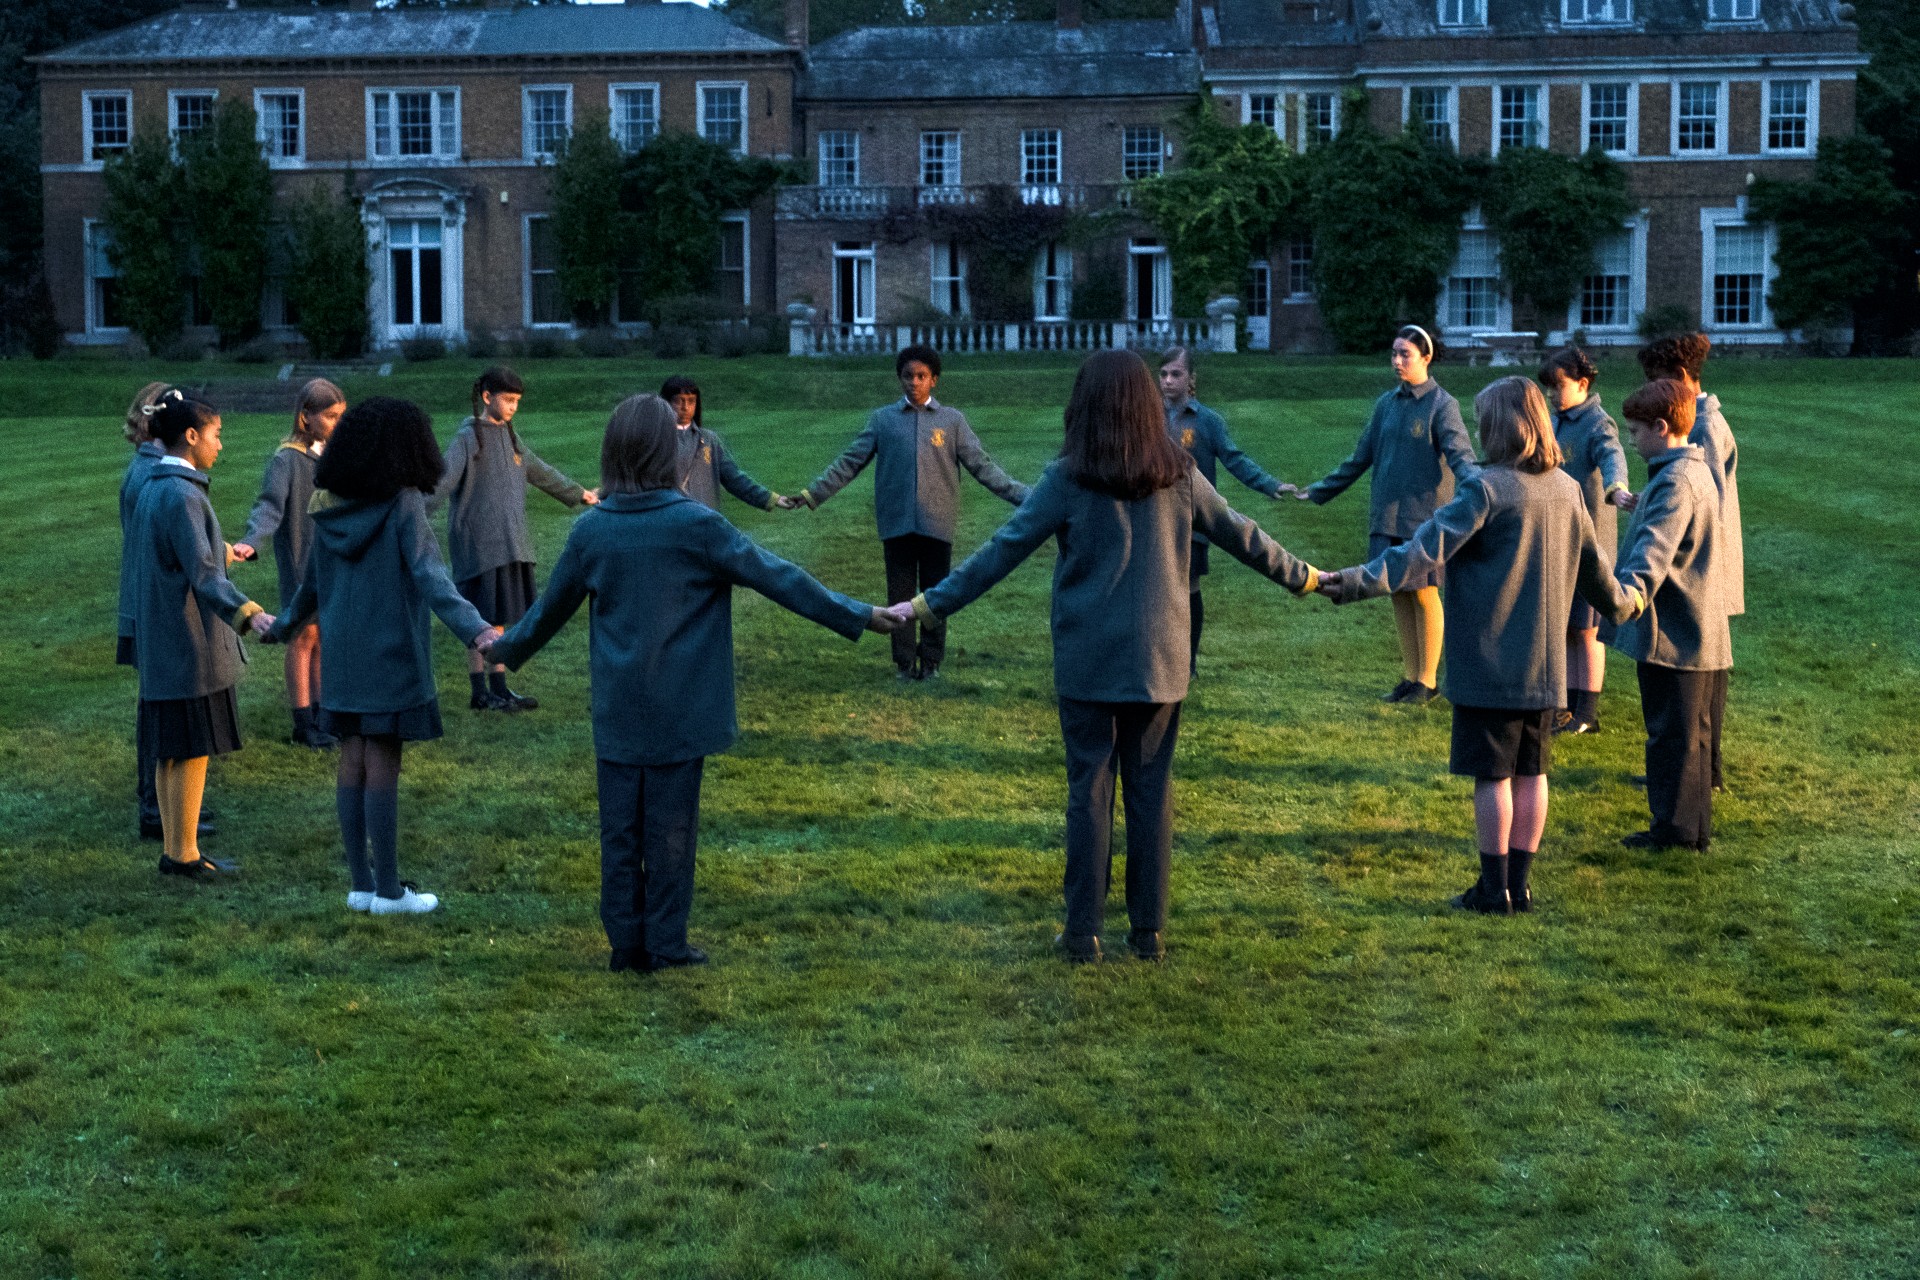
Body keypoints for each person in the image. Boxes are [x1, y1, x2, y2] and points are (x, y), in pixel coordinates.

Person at [885, 351, 1322, 963]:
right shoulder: (1180, 473)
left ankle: (1084, 932)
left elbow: (997, 555)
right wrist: (1306, 578)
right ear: (1148, 404)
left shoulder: (1069, 476)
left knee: (1089, 791)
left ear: (1083, 405)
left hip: (1089, 662)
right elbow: (1244, 535)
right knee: (1151, 791)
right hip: (1159, 663)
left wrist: (926, 604)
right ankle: (1148, 932)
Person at [481, 395, 903, 972]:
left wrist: (498, 649)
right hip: (681, 707)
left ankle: (627, 945)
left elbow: (545, 616)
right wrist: (860, 613)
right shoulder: (696, 525)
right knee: (671, 832)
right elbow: (778, 577)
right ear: (667, 452)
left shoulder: (592, 532)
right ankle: (665, 943)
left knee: (621, 832)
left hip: (619, 707)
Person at [1315, 377, 1636, 915]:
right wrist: (1630, 603)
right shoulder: (1567, 489)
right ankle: (1521, 886)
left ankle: (1493, 890)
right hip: (1545, 667)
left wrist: (1350, 582)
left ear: (1502, 427)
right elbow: (1599, 578)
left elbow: (1418, 555)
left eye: (1485, 419)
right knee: (1533, 773)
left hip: (1489, 663)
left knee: (1493, 776)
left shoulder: (1485, 490)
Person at [272, 397, 503, 915]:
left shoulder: (326, 506)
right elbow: (431, 577)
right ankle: (391, 891)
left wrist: (281, 627)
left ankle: (361, 884)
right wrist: (478, 631)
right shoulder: (402, 505)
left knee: (352, 757)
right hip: (392, 652)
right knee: (383, 762)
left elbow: (308, 589)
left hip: (346, 658)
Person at [794, 344, 1028, 681]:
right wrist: (812, 494)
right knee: (899, 596)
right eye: (908, 376)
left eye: (921, 376)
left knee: (935, 596)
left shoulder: (952, 422)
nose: (913, 382)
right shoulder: (883, 420)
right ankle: (904, 662)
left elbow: (983, 467)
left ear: (934, 380)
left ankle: (931, 660)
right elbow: (849, 463)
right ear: (900, 379)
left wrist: (1025, 497)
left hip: (937, 522)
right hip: (896, 524)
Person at [129, 392, 276, 880]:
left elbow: (183, 556)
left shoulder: (154, 482)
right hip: (189, 643)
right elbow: (205, 576)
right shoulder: (182, 493)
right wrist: (250, 614)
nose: (220, 444)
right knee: (190, 748)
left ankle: (177, 850)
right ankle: (185, 854)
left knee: (170, 750)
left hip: (164, 641)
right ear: (191, 436)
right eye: (216, 435)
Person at [1293, 324, 1478, 705]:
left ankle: (1427, 682)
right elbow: (1360, 458)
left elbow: (1462, 458)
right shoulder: (1386, 404)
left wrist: (1483, 490)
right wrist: (1319, 490)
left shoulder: (1443, 405)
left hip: (1425, 519)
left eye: (1404, 354)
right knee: (1396, 592)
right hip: (1387, 516)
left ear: (1426, 357)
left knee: (1425, 593)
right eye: (1393, 353)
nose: (1396, 361)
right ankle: (1410, 678)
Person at [428, 365, 598, 713]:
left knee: (499, 619)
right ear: (487, 397)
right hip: (479, 547)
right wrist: (412, 513)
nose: (513, 407)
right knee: (477, 619)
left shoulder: (510, 436)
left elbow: (538, 471)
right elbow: (442, 482)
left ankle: (500, 689)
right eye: (508, 400)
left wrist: (579, 494)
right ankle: (480, 693)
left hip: (510, 544)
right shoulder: (468, 438)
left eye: (517, 401)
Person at [1610, 379, 1730, 852]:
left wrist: (1626, 598)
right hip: (1696, 628)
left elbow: (1652, 556)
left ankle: (1674, 832)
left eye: (1636, 430)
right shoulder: (1689, 471)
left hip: (1674, 631)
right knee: (1692, 736)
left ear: (1662, 428)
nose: (1631, 439)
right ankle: (1692, 828)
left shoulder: (1674, 482)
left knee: (1670, 736)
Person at [1637, 332, 1742, 791]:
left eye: (1658, 381)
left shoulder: (1702, 427)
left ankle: (1704, 772)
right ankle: (1698, 771)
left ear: (1680, 379)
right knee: (1703, 680)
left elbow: (1705, 505)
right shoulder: (1699, 421)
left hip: (1705, 572)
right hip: (1707, 566)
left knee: (1703, 683)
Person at [1157, 345, 1294, 673]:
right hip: (1154, 519)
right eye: (1163, 374)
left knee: (1188, 587)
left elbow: (1235, 459)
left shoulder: (1207, 421)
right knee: (1157, 591)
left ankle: (1187, 662)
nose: (1168, 381)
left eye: (1176, 374)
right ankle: (1160, 658)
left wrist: (1270, 484)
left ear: (1191, 378)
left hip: (1193, 520)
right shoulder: (1147, 417)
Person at [233, 378, 345, 749]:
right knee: (304, 635)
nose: (336, 423)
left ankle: (322, 714)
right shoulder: (287, 459)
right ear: (305, 417)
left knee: (324, 636)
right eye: (330, 416)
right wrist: (251, 540)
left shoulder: (334, 453)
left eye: (340, 416)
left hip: (334, 558)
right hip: (301, 559)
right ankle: (303, 722)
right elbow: (269, 506)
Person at [116, 380, 204, 844]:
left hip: (141, 600)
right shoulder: (152, 474)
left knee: (154, 707)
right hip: (149, 603)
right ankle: (156, 810)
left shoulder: (145, 467)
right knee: (156, 710)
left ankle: (161, 807)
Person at [1538, 347, 1633, 736]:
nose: (1550, 394)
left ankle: (1587, 712)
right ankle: (1565, 706)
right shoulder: (1552, 420)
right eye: (1546, 387)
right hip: (1555, 538)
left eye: (1557, 386)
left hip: (1589, 545)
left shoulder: (1598, 423)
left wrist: (1616, 487)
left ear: (1582, 383)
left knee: (1587, 629)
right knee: (1563, 627)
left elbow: (1613, 456)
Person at [660, 374, 789, 513]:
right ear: (665, 403)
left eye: (691, 401)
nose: (685, 407)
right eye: (678, 401)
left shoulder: (709, 439)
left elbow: (733, 478)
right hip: (670, 518)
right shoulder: (656, 440)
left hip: (705, 518)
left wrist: (770, 498)